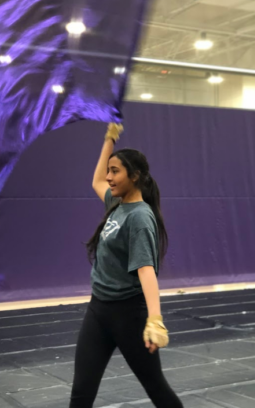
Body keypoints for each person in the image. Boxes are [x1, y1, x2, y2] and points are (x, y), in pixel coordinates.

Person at [69, 124, 184, 408]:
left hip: (128, 316)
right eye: (110, 170)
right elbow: (96, 181)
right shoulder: (117, 204)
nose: (109, 177)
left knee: (156, 388)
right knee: (82, 390)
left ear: (135, 176)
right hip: (99, 310)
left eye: (116, 171)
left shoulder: (140, 218)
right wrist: (109, 140)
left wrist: (155, 320)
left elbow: (147, 271)